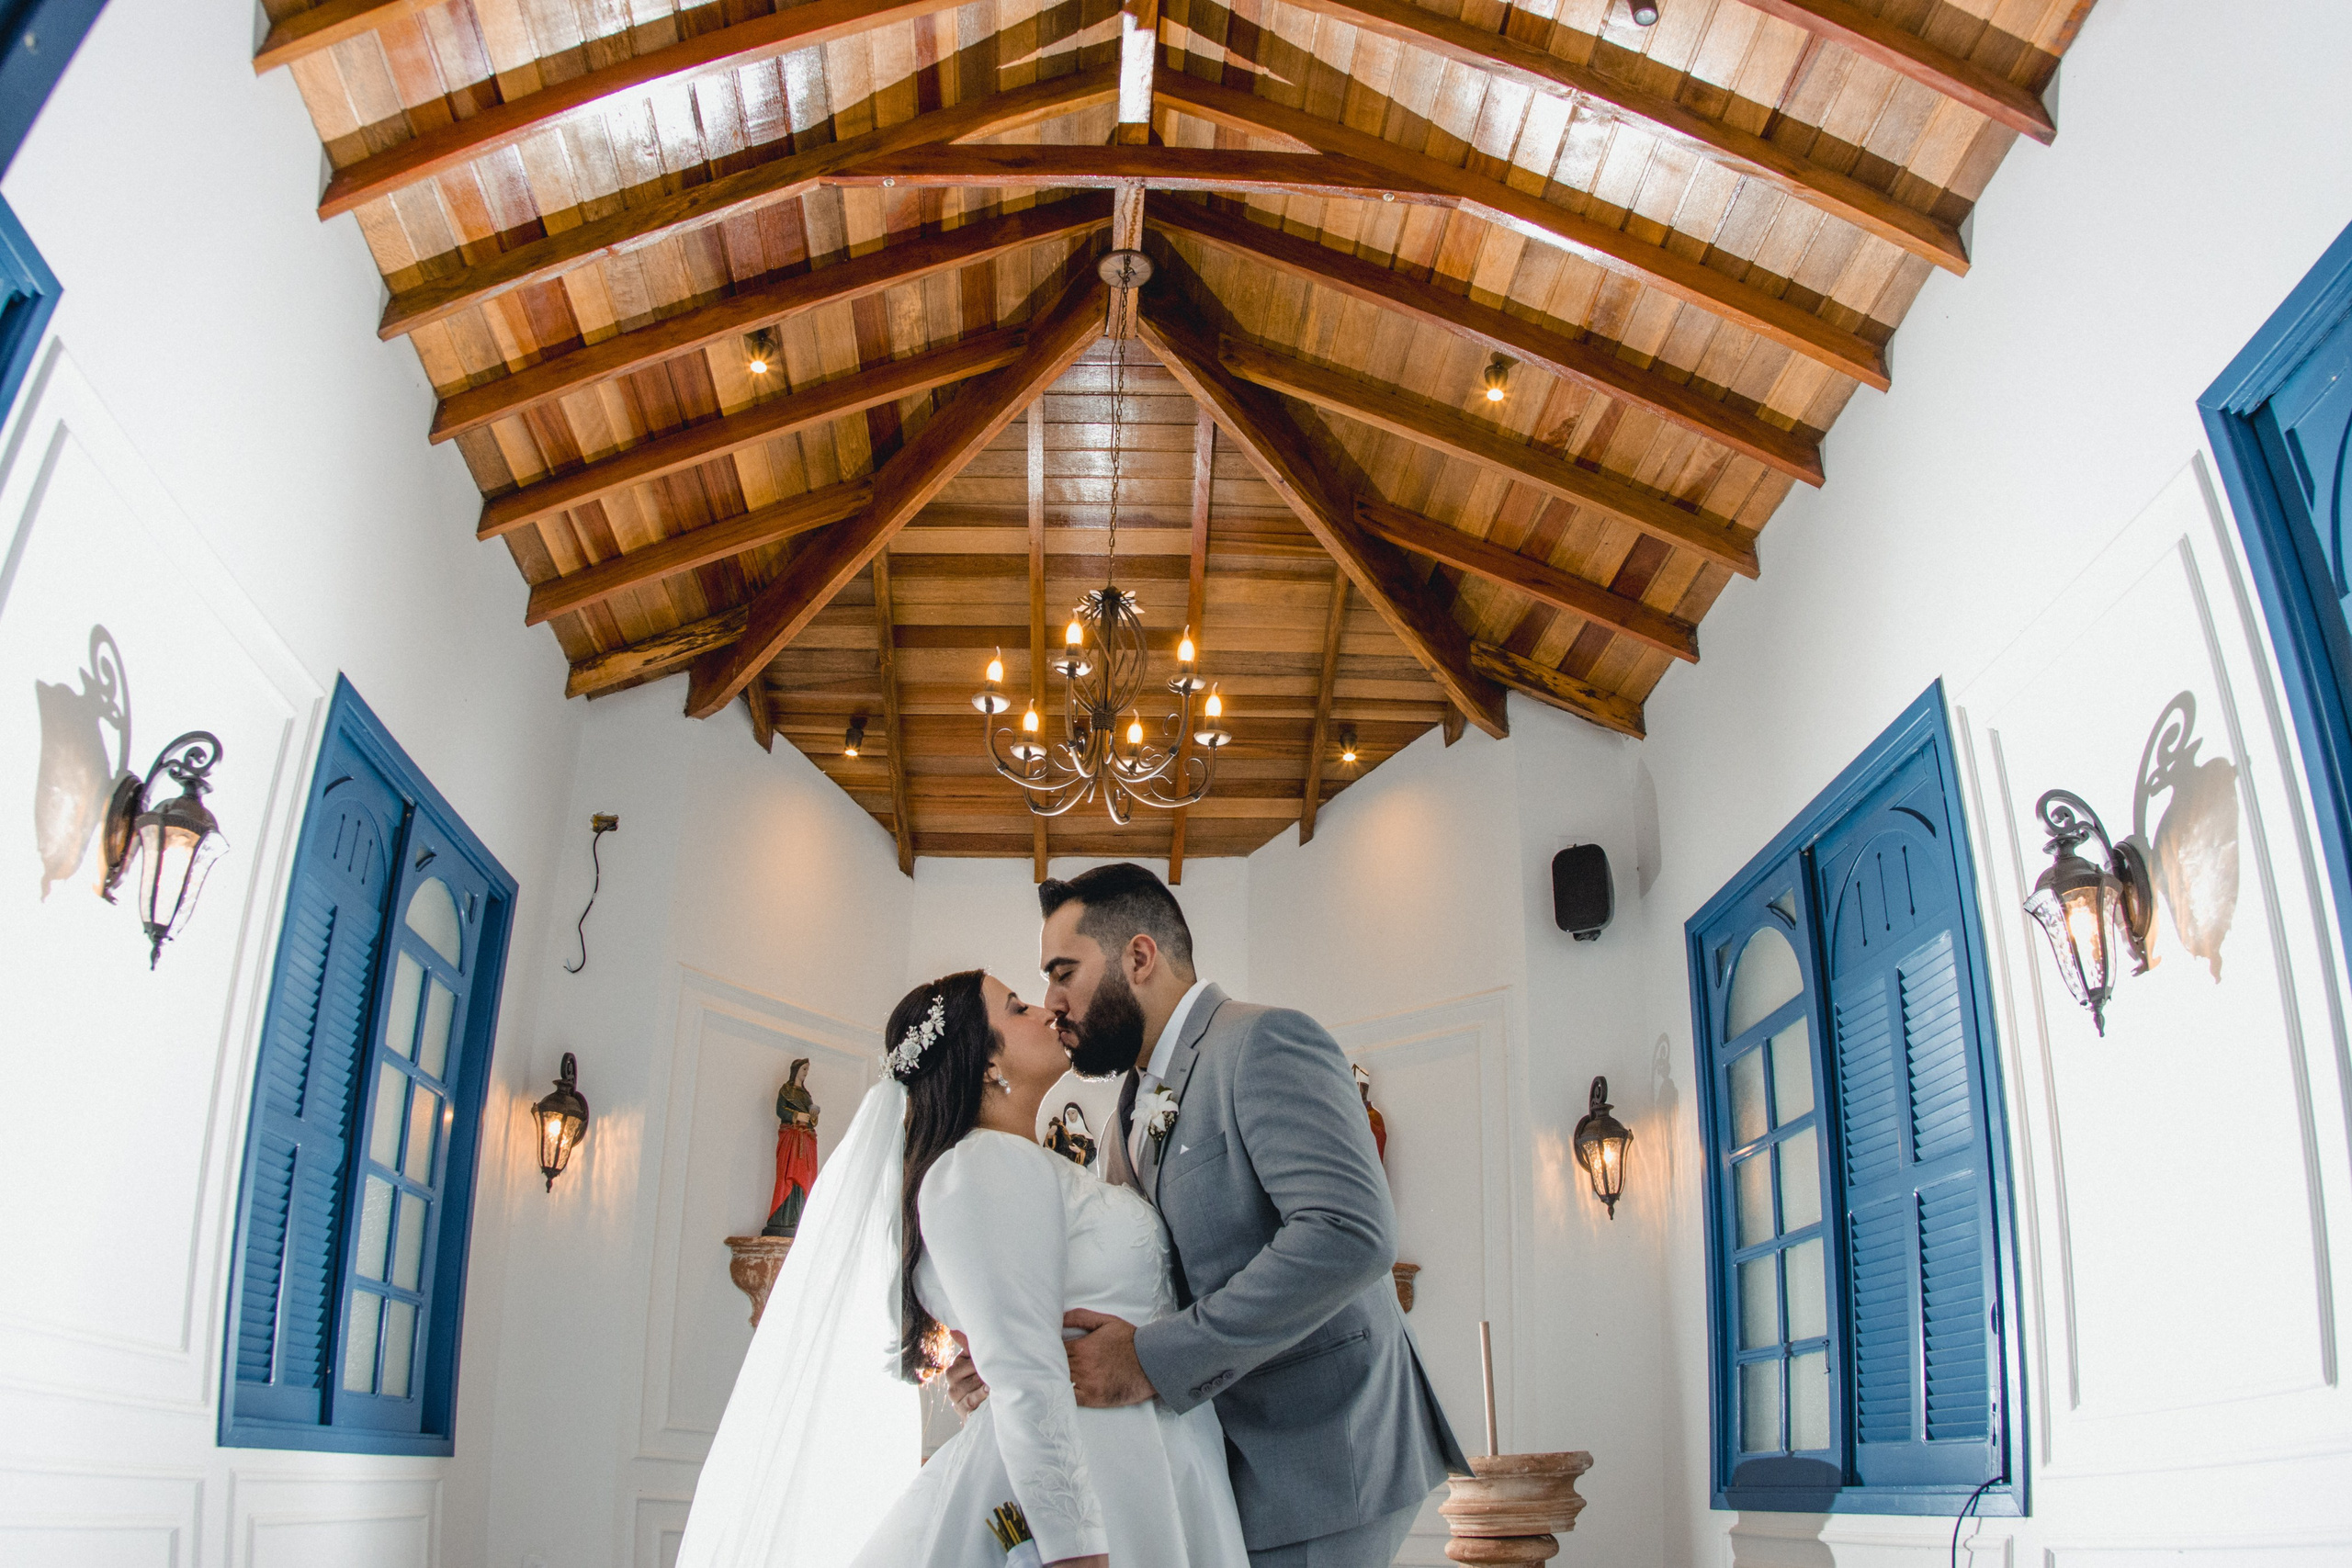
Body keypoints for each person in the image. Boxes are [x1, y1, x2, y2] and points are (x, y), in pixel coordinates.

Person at [949, 863, 1466, 1566]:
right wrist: (1009, 1353)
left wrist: (1151, 1358)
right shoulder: (1124, 1112)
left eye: (1063, 972)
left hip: (1327, 1459)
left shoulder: (1264, 1042)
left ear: (1138, 956)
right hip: (1226, 1466)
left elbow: (1350, 1233)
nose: (1052, 1002)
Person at [676, 968, 1249, 1568]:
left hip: (1153, 1456)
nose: (1046, 1011)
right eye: (1018, 1007)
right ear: (985, 1063)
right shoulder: (978, 1165)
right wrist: (1073, 1547)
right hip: (1096, 1485)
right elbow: (1026, 1371)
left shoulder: (1028, 1167)